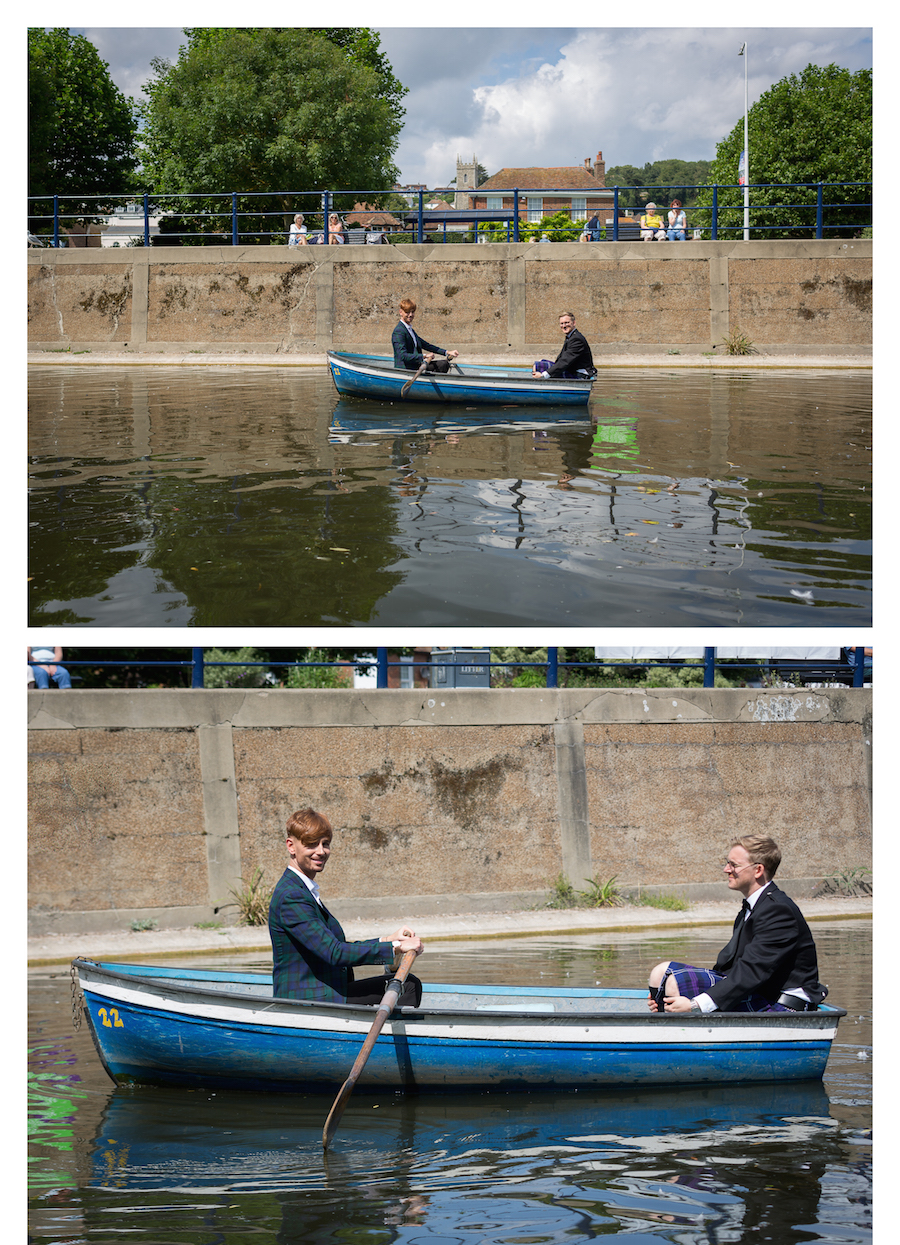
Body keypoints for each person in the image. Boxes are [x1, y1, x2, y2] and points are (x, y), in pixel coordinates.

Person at [647, 835, 827, 1014]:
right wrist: (660, 996)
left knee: (674, 982)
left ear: (758, 870)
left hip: (783, 1006)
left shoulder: (778, 911)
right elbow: (733, 967)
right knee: (661, 973)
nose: (726, 869)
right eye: (727, 863)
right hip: (759, 990)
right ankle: (663, 1025)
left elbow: (751, 972)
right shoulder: (755, 906)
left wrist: (695, 1005)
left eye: (734, 865)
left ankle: (681, 1039)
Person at [268, 807, 424, 1005]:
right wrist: (395, 947)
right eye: (311, 844)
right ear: (291, 846)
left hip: (325, 993)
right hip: (307, 1001)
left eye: (325, 844)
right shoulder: (292, 896)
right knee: (409, 986)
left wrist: (388, 939)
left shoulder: (301, 890)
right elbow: (335, 953)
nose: (321, 851)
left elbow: (337, 947)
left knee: (408, 984)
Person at [391, 298, 459, 372]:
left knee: (443, 364)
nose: (410, 315)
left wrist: (447, 352)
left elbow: (426, 345)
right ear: (401, 312)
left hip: (415, 365)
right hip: (406, 369)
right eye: (407, 312)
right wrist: (425, 356)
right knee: (442, 365)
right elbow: (403, 356)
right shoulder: (399, 331)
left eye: (412, 312)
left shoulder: (409, 330)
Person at [532, 311, 596, 378]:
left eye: (566, 323)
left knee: (538, 365)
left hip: (579, 374)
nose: (564, 326)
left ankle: (538, 384)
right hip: (571, 370)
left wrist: (543, 375)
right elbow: (561, 360)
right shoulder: (571, 336)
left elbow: (565, 361)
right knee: (540, 361)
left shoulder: (577, 339)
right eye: (561, 323)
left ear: (574, 323)